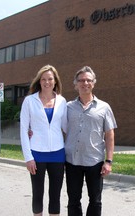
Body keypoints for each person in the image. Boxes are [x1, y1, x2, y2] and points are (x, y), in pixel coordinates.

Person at [65, 66, 117, 216]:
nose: (85, 83)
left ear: (93, 83)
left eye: (88, 80)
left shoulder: (104, 107)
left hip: (95, 162)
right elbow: (53, 126)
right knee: (73, 200)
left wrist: (109, 161)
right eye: (81, 80)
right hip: (72, 161)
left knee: (95, 200)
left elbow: (109, 134)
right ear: (75, 84)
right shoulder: (67, 107)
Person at [20, 65, 67, 216]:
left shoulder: (62, 101)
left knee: (55, 195)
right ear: (39, 81)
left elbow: (66, 127)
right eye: (44, 79)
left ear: (55, 81)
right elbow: (23, 130)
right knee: (37, 193)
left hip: (58, 154)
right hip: (37, 154)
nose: (47, 82)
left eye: (50, 79)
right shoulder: (29, 101)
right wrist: (28, 157)